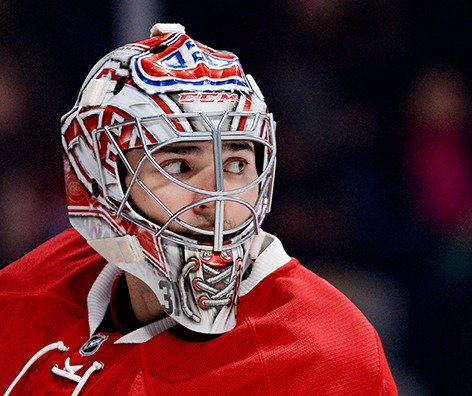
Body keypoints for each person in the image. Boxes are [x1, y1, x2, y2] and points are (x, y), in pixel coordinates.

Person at [0, 23, 397, 395]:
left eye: (237, 165)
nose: (217, 203)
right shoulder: (22, 296)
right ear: (98, 177)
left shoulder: (326, 357)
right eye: (179, 166)